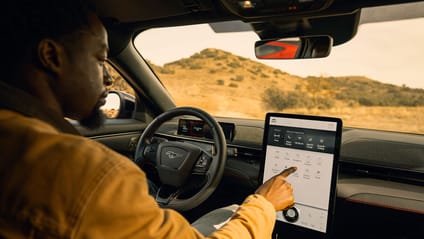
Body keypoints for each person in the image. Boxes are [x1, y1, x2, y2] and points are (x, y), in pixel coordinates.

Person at [0, 0, 296, 238]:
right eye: (100, 59)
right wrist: (263, 204)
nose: (108, 77)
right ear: (51, 56)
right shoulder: (88, 173)